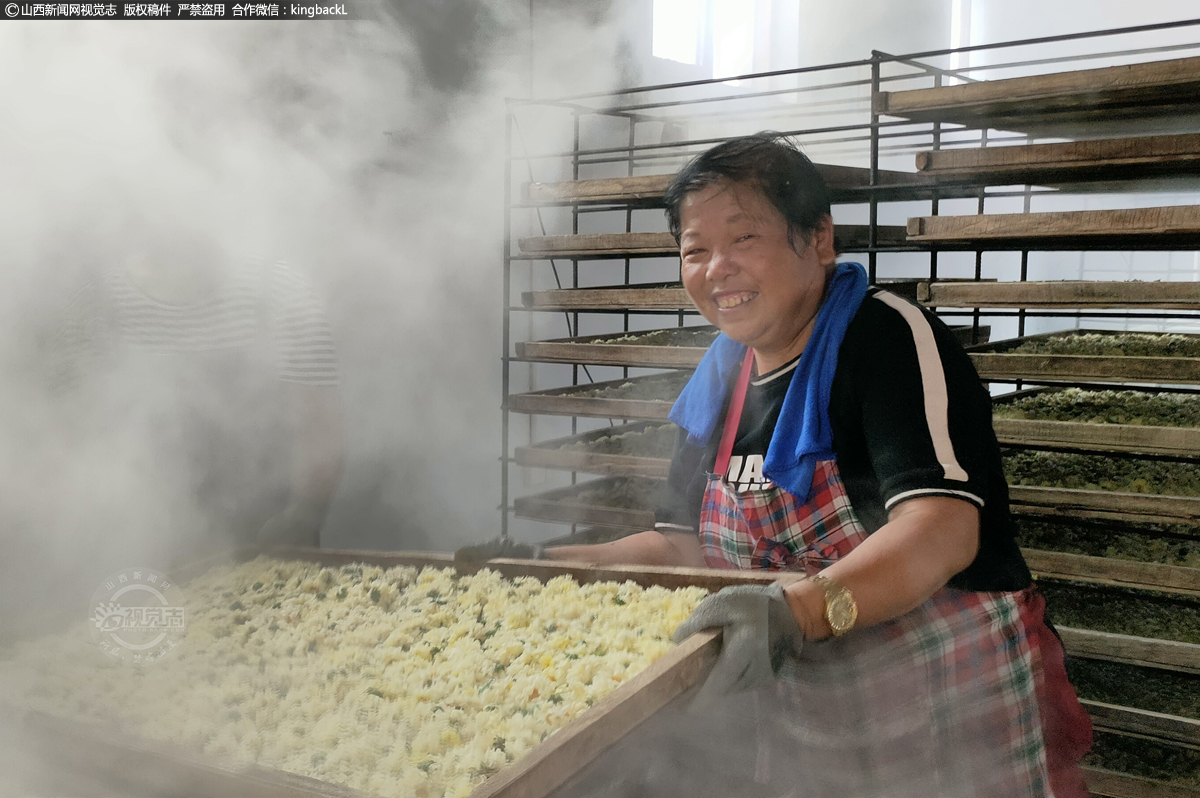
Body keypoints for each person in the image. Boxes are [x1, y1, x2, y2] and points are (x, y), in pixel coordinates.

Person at [461, 133, 1093, 797]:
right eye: (695, 250)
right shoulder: (720, 380)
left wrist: (803, 613)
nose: (716, 269)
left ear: (818, 239)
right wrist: (540, 569)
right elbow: (679, 548)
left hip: (943, 705)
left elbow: (941, 528)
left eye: (743, 240)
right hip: (802, 708)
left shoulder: (884, 338)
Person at [51, 222, 345, 553]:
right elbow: (72, 434)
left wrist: (304, 515)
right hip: (132, 536)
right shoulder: (96, 305)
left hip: (264, 535)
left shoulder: (275, 287)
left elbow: (319, 422)